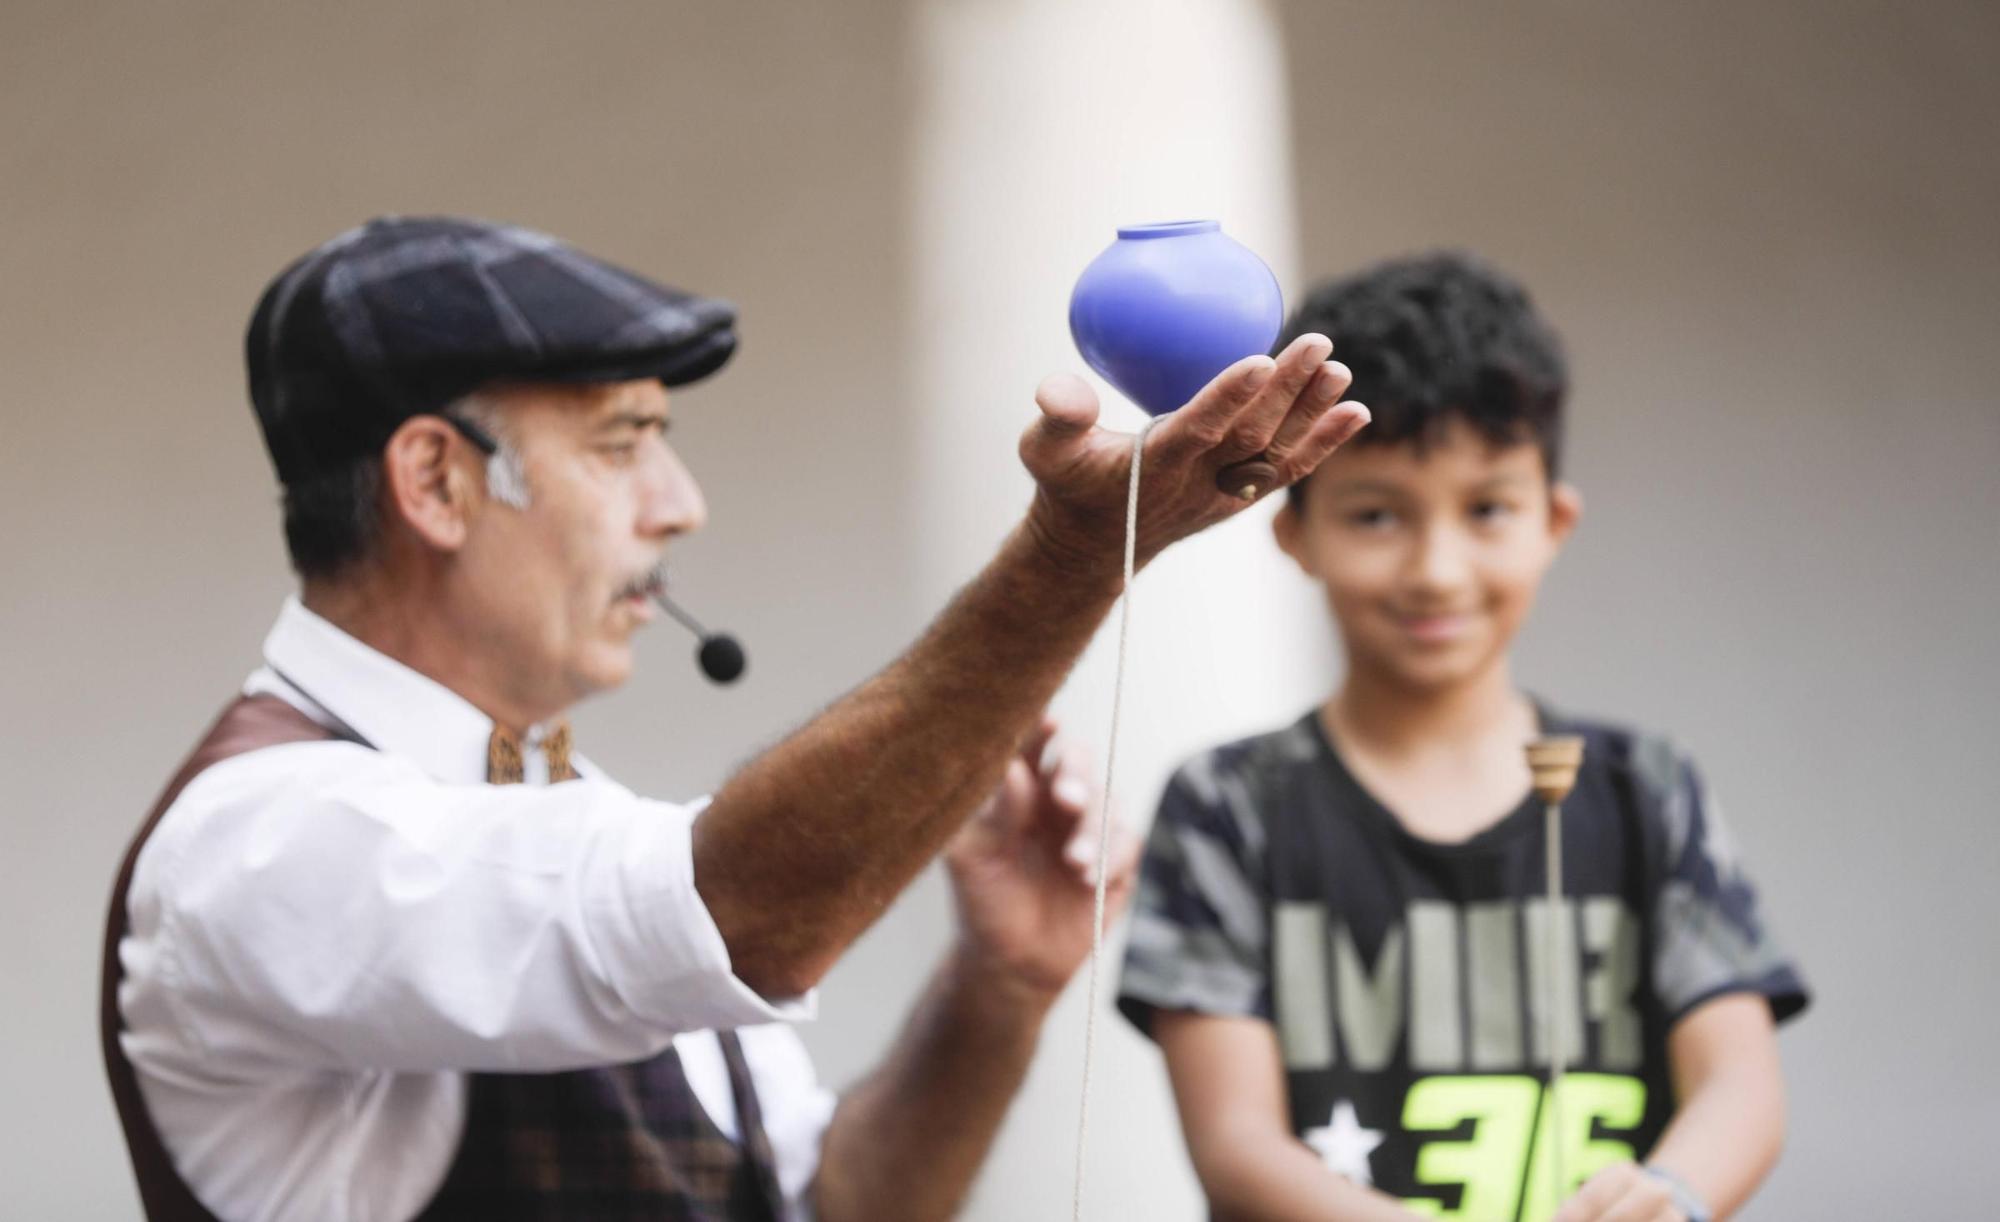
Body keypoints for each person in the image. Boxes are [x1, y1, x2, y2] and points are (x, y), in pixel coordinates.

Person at [100, 215, 1371, 1222]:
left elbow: (835, 1201)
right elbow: (740, 911)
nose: (680, 503)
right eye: (622, 443)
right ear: (437, 480)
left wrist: (998, 983)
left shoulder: (562, 810)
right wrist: (1072, 556)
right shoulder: (261, 844)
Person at [1116, 252, 1809, 1222]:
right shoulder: (1226, 805)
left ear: (1552, 521)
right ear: (1294, 534)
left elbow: (1739, 1087)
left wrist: (1672, 1193)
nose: (1436, 569)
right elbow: (1233, 1142)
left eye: (1485, 508)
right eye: (1375, 514)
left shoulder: (1645, 787)